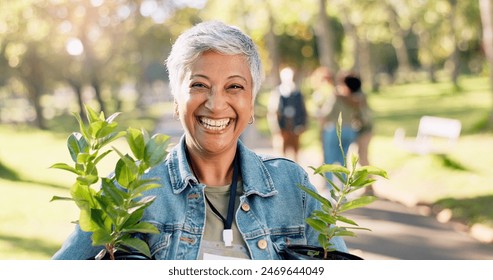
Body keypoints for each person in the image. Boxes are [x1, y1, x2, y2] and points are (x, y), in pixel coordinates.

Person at [52, 20, 347, 260]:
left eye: (234, 86)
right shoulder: (128, 191)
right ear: (177, 101)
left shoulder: (293, 187)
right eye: (199, 85)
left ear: (252, 103)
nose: (216, 104)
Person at [267, 67, 308, 161]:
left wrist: (302, 125)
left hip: (295, 128)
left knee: (295, 154)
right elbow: (273, 112)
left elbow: (303, 110)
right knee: (281, 154)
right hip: (283, 128)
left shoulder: (297, 93)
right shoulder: (277, 93)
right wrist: (276, 128)